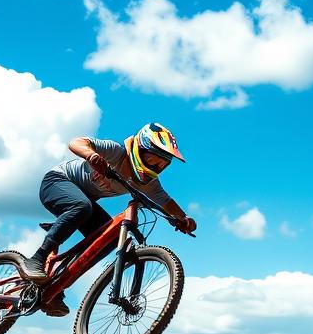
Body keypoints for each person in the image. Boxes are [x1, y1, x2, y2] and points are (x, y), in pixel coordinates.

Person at [19, 123, 197, 317]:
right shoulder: (117, 153)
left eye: (162, 164)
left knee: (108, 240)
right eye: (152, 159)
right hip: (57, 182)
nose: (156, 166)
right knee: (81, 207)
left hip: (84, 202)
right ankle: (36, 260)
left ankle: (55, 285)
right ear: (139, 148)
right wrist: (91, 155)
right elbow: (76, 142)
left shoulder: (148, 184)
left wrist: (183, 218)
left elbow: (166, 201)